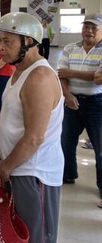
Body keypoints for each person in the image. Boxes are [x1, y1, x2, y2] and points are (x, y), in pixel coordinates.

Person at [0, 12, 63, 243]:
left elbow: (34, 138)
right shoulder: (19, 71)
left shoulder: (39, 77)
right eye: (0, 40)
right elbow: (12, 118)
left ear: (29, 42)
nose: (2, 47)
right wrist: (0, 148)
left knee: (34, 235)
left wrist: (5, 167)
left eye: (8, 41)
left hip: (33, 171)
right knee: (17, 233)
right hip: (17, 166)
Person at [58, 13, 102, 206]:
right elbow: (61, 75)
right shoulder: (70, 48)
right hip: (71, 101)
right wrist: (67, 95)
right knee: (66, 142)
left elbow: (99, 79)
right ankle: (68, 175)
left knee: (100, 149)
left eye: (94, 27)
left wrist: (71, 72)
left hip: (97, 103)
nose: (89, 31)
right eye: (86, 26)